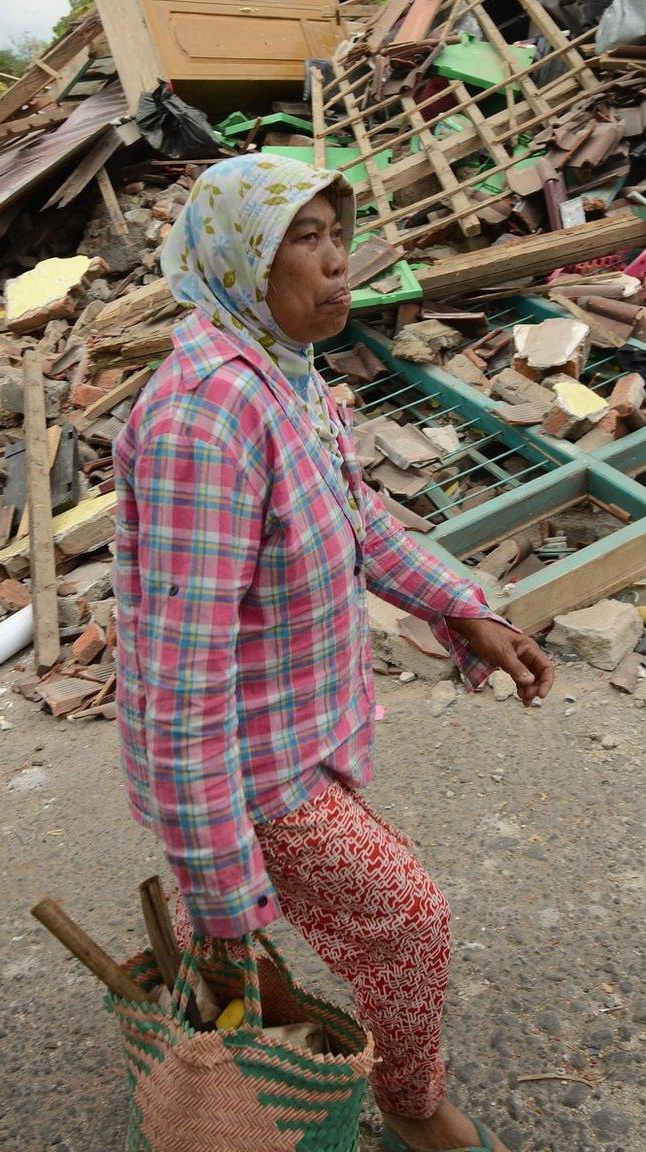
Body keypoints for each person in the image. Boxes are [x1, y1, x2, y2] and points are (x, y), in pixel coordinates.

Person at [112, 153, 554, 1152]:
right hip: (253, 765)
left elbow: (359, 523)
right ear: (239, 263)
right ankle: (407, 1102)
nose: (337, 266)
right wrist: (226, 890)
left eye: (335, 234)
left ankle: (216, 962)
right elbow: (177, 688)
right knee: (406, 921)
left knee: (254, 920)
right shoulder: (205, 420)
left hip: (302, 729)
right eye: (301, 242)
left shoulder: (283, 376)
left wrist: (462, 608)